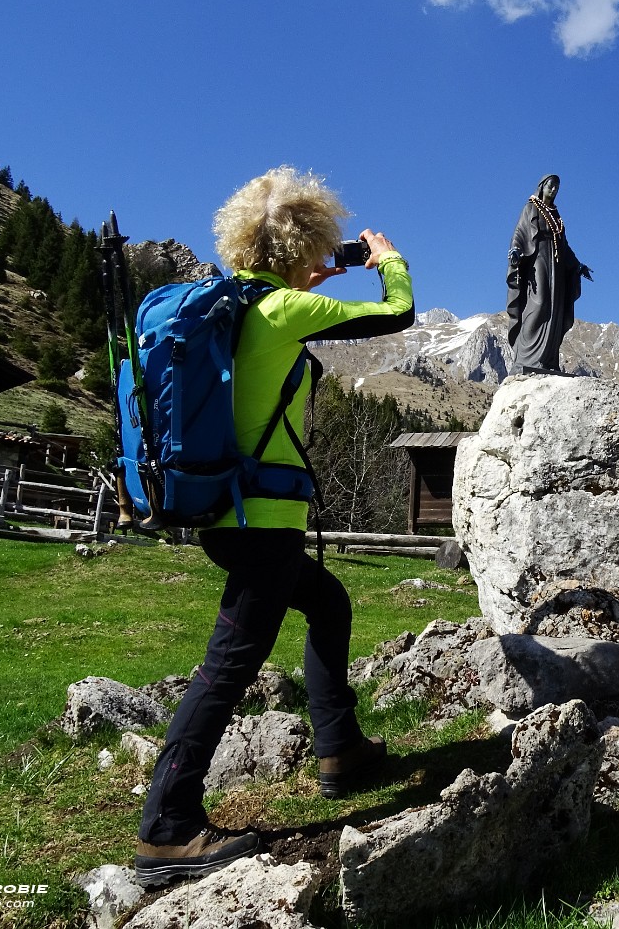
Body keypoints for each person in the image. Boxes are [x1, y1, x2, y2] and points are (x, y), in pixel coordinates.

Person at [134, 166, 414, 886]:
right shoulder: (283, 310)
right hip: (264, 520)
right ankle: (167, 827)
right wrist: (389, 262)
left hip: (227, 512)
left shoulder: (238, 306)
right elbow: (397, 314)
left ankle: (340, 749)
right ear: (308, 241)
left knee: (328, 602)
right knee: (228, 664)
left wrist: (298, 287)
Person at [505, 174, 591, 374]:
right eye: (551, 186)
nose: (554, 190)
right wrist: (516, 250)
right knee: (540, 302)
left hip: (558, 264)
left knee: (555, 308)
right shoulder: (531, 208)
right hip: (538, 258)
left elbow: (564, 245)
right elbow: (519, 233)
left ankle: (548, 358)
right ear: (542, 186)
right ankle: (526, 355)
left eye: (557, 187)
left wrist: (577, 265)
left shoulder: (556, 216)